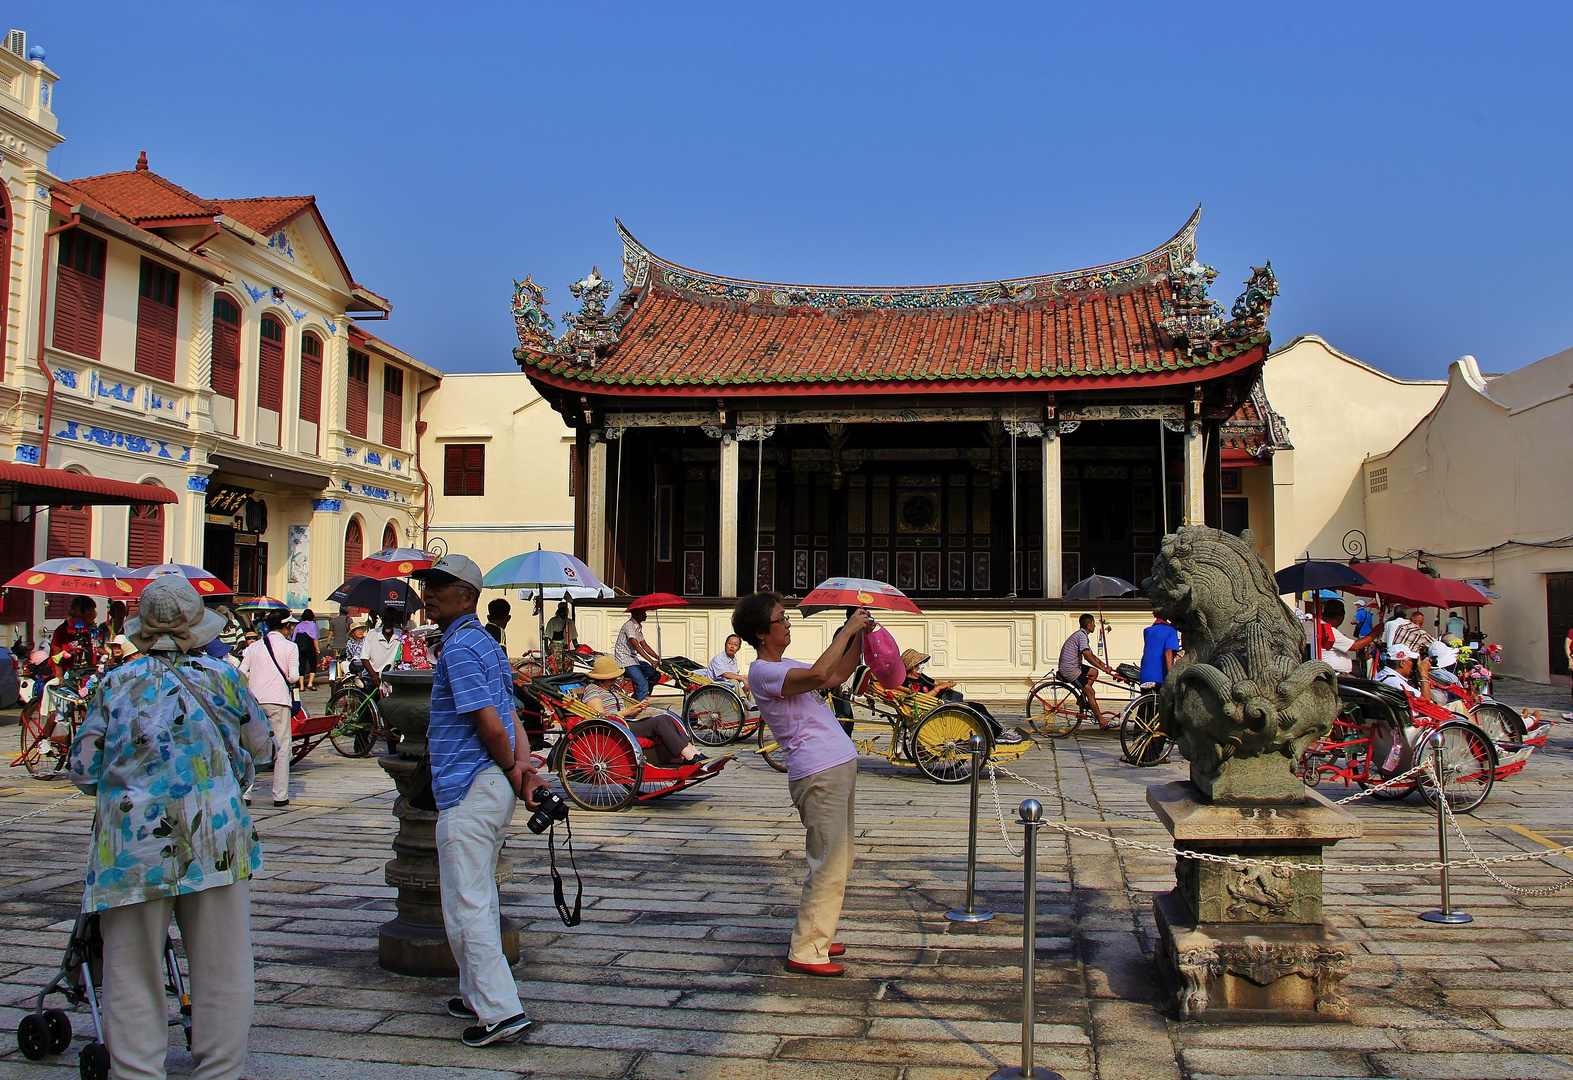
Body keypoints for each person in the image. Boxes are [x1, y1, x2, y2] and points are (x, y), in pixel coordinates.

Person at [69, 575, 270, 1080]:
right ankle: (219, 1071)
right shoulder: (224, 678)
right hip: (215, 842)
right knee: (223, 965)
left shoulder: (114, 683)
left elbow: (83, 769)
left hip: (132, 850)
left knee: (130, 970)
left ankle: (136, 1072)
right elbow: (263, 748)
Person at [412, 554, 542, 1047]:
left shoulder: (460, 648)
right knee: (477, 895)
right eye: (428, 584)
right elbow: (511, 715)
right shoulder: (483, 643)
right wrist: (522, 771)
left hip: (469, 784)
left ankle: (501, 1011)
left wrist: (513, 767)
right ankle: (473, 993)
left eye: (441, 586)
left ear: (467, 596)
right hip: (488, 784)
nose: (430, 593)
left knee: (467, 903)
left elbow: (490, 723)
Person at [735, 593, 870, 977]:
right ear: (762, 633)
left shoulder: (784, 665)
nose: (788, 622)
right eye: (781, 619)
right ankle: (808, 949)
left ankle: (818, 933)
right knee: (828, 861)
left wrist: (858, 632)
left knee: (839, 860)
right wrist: (846, 629)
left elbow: (835, 674)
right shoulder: (763, 671)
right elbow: (816, 675)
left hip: (835, 766)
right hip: (818, 772)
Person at [579, 655, 711, 765]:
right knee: (658, 722)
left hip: (626, 721)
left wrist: (637, 709)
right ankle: (689, 756)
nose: (615, 681)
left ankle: (693, 752)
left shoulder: (611, 689)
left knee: (666, 718)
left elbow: (624, 711)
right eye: (612, 679)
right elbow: (600, 716)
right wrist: (628, 712)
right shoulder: (592, 691)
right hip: (615, 727)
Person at [239, 613, 300, 808]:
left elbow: (241, 672)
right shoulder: (290, 646)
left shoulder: (254, 647)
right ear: (286, 627)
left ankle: (246, 793)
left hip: (255, 700)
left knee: (251, 748)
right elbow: (293, 677)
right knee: (282, 748)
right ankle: (280, 795)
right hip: (278, 700)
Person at [900, 649, 1023, 744]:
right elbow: (919, 699)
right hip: (935, 707)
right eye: (919, 664)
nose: (922, 666)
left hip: (944, 702)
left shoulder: (920, 676)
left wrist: (946, 684)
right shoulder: (907, 682)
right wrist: (938, 689)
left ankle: (996, 731)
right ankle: (1000, 733)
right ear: (912, 666)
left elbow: (935, 682)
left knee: (976, 708)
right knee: (977, 708)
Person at [1058, 614, 1118, 729]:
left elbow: (1092, 655)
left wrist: (1105, 666)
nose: (1095, 626)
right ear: (1088, 624)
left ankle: (1081, 697)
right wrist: (1103, 669)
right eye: (1093, 623)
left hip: (1075, 666)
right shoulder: (1081, 636)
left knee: (1094, 672)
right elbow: (1087, 656)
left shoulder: (1082, 635)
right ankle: (1102, 721)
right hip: (1070, 669)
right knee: (1090, 692)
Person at [1310, 600, 1379, 676]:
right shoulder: (1329, 631)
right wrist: (1375, 632)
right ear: (1339, 617)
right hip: (1335, 674)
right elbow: (1355, 646)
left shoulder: (1320, 628)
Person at [614, 607, 662, 701]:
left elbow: (644, 645)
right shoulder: (629, 625)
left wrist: (658, 657)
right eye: (643, 612)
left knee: (656, 675)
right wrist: (651, 661)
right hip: (625, 660)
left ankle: (638, 698)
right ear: (635, 613)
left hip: (633, 659)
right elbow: (636, 646)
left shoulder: (638, 627)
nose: (645, 614)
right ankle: (640, 708)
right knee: (642, 684)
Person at [50, 595, 100, 676]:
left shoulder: (85, 630)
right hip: (57, 672)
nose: (92, 613)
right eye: (89, 610)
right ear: (77, 610)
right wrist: (59, 675)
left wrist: (93, 670)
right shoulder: (62, 630)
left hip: (75, 671)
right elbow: (56, 653)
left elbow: (88, 652)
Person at [1139, 615, 1181, 686]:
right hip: (1159, 676)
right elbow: (1168, 653)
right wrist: (1171, 676)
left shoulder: (1148, 631)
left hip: (1145, 675)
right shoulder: (1171, 631)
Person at [364, 607, 407, 677]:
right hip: (372, 674)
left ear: (395, 621)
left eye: (391, 620)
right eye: (385, 619)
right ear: (382, 619)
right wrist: (373, 674)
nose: (388, 622)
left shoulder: (401, 635)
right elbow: (364, 657)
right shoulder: (372, 633)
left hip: (391, 675)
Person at [295, 607, 320, 691]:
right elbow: (315, 638)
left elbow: (294, 638)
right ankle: (310, 683)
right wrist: (317, 649)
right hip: (310, 647)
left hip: (300, 648)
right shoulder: (312, 625)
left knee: (301, 666)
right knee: (313, 665)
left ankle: (301, 686)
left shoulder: (299, 625)